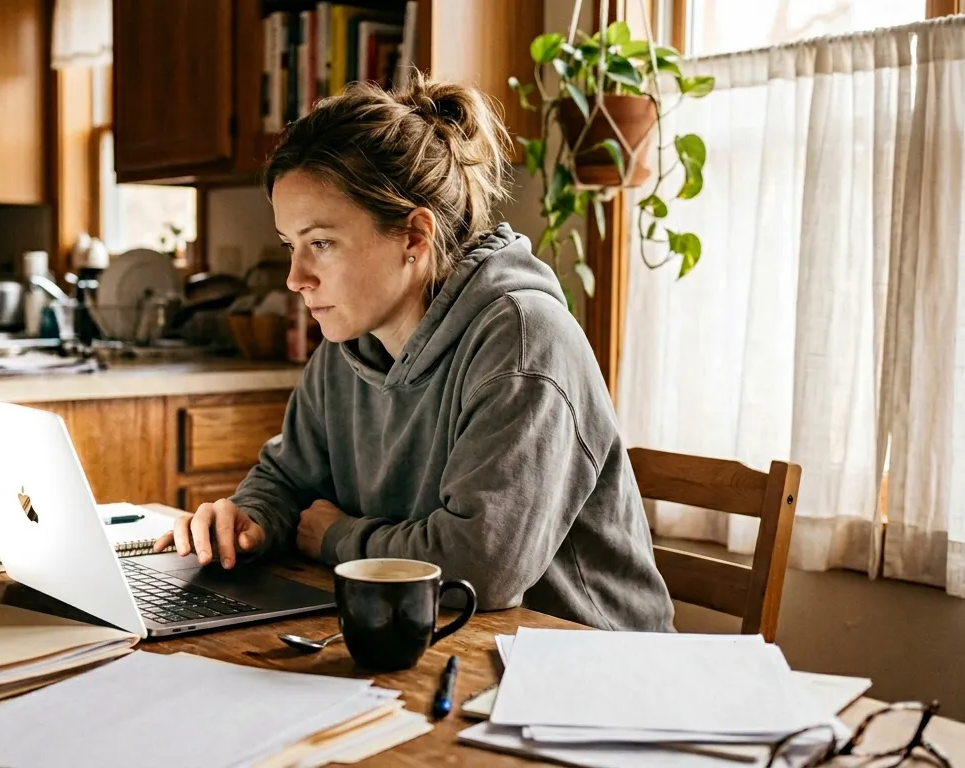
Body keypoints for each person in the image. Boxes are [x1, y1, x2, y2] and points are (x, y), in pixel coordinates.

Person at [154, 72, 674, 632]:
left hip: (591, 669)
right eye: (291, 246)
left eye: (321, 243)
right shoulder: (349, 340)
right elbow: (286, 479)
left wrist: (336, 536)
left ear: (414, 237)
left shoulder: (524, 341)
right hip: (450, 642)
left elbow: (482, 569)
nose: (295, 277)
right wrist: (249, 518)